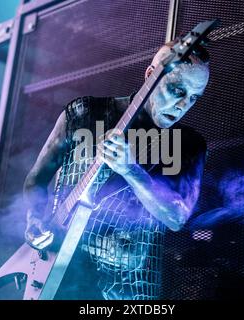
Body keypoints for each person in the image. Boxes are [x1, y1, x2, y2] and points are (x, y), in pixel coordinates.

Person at [23, 41, 210, 300]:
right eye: (177, 90)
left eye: (193, 98)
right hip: (55, 274)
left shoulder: (188, 145)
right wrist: (34, 217)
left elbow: (177, 216)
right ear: (151, 75)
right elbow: (37, 178)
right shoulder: (84, 113)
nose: (182, 105)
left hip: (127, 291)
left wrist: (131, 170)